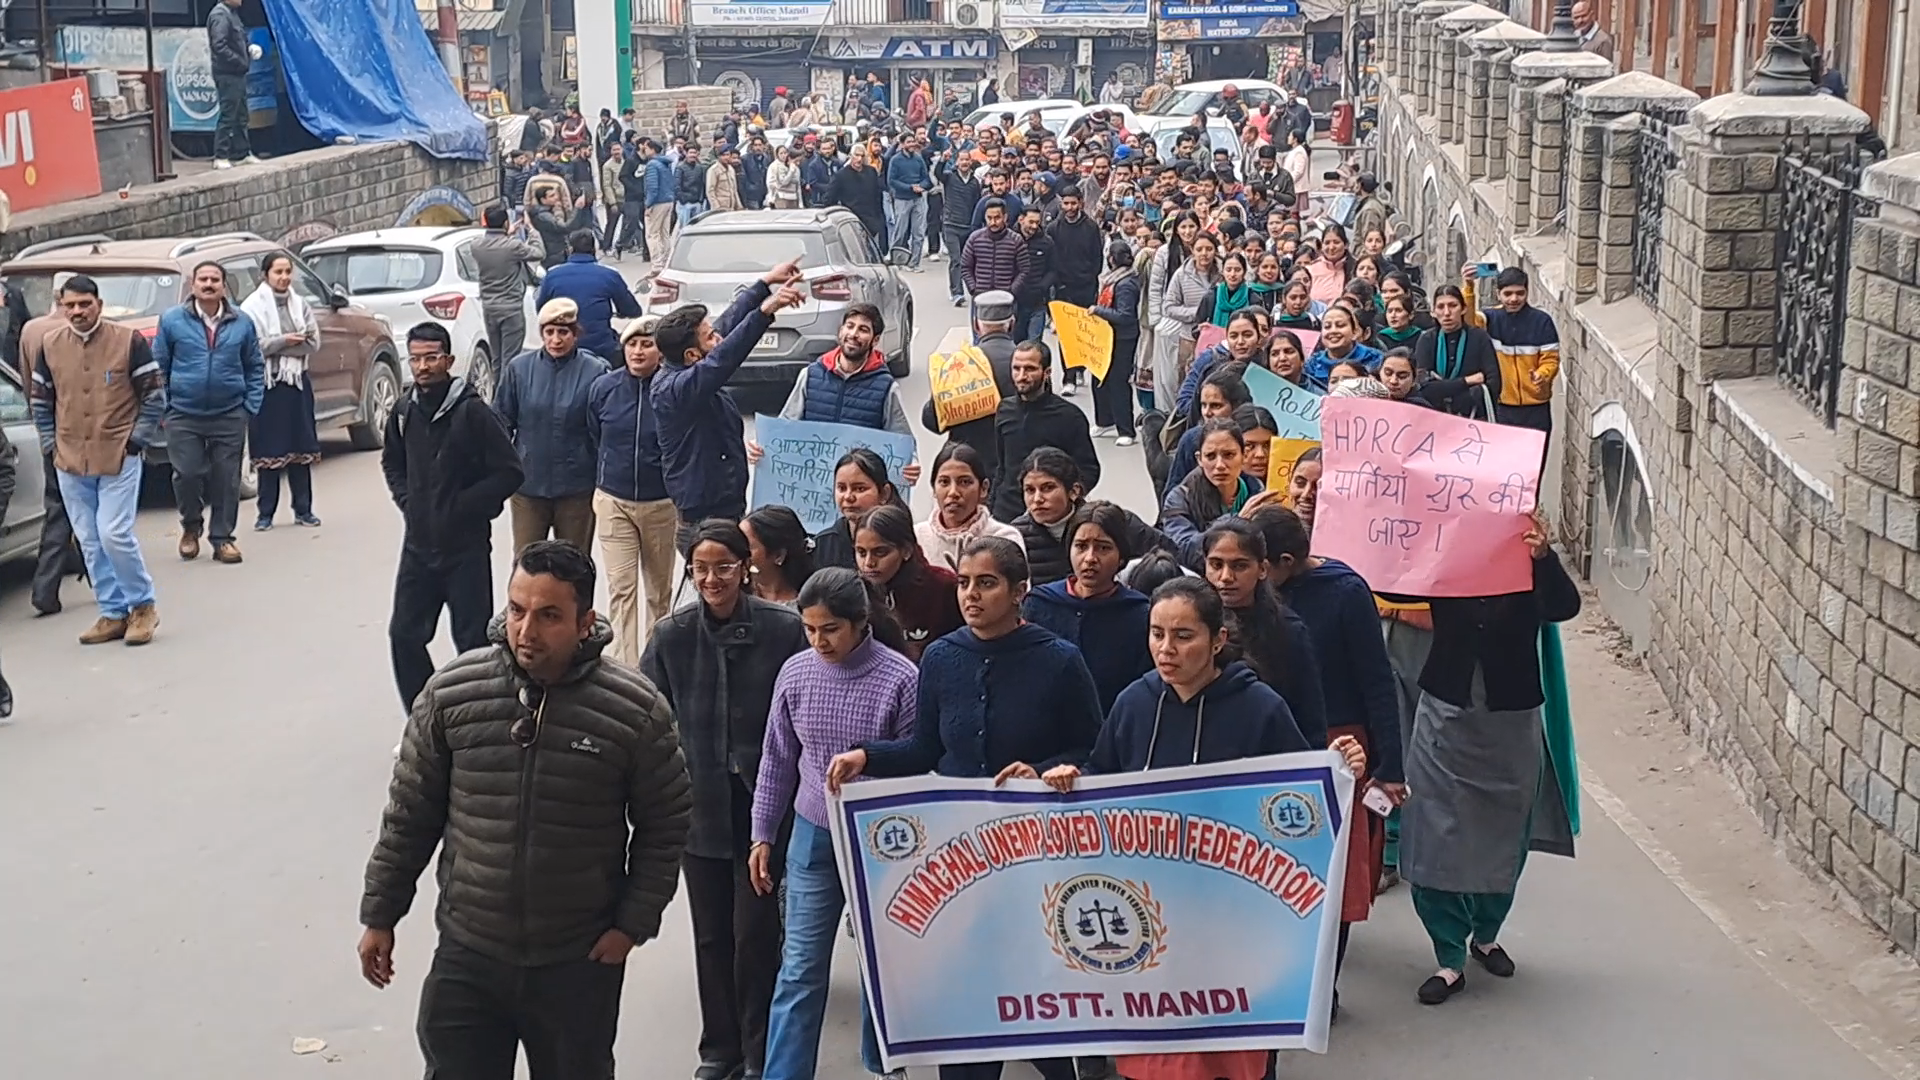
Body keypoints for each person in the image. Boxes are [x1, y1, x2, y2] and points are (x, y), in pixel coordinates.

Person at [358, 540, 693, 1080]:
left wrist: (631, 924)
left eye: (549, 616)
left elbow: (666, 824)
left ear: (586, 621)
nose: (526, 631)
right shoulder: (453, 694)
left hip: (577, 963)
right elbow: (409, 815)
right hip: (469, 953)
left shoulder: (634, 711)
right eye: (517, 610)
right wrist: (381, 913)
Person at [1039, 578, 1364, 1080]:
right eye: (1156, 634)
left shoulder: (1261, 710)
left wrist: (1341, 767)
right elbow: (1101, 785)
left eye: (1183, 636)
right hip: (1148, 928)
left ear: (1217, 640)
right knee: (1152, 1060)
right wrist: (1071, 778)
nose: (1166, 650)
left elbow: (1303, 803)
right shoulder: (1132, 704)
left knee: (1239, 1058)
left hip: (1235, 928)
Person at [641, 520, 808, 1080]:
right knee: (711, 936)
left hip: (765, 809)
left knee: (756, 936)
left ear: (747, 568)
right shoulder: (670, 636)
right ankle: (720, 1050)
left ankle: (761, 1053)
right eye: (701, 569)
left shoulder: (784, 629)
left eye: (724, 567)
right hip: (700, 812)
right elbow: (648, 721)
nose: (712, 579)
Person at [1399, 513, 1580, 1004]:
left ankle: (1486, 932)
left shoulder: (1528, 559)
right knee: (1433, 827)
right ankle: (1448, 955)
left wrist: (1543, 557)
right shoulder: (1440, 552)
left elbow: (1564, 606)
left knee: (1506, 829)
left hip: (1511, 714)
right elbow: (1390, 582)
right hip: (1445, 712)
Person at [754, 568, 917, 1080]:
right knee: (800, 967)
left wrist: (869, 759)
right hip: (812, 833)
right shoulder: (796, 673)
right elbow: (777, 758)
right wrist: (762, 833)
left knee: (878, 964)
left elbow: (917, 760)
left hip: (880, 839)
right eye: (809, 629)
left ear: (860, 623)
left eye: (830, 629)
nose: (819, 641)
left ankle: (883, 1064)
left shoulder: (901, 679)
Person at [1257, 504, 1407, 1006]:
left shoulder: (1344, 593)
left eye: (1255, 566)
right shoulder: (1247, 599)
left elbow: (1376, 680)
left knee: (1335, 878)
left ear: (1282, 561)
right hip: (1274, 745)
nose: (1238, 577)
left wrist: (1389, 766)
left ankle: (1324, 988)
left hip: (1342, 750)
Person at [382, 322, 524, 712]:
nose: (423, 366)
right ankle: (424, 719)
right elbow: (392, 462)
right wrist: (409, 502)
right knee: (404, 635)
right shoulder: (403, 410)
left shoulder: (473, 413)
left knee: (473, 645)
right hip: (417, 549)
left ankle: (478, 722)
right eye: (415, 359)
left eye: (431, 358)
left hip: (466, 550)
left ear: (448, 359)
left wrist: (463, 507)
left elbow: (510, 472)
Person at [28, 275, 164, 646]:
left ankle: (142, 606)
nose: (77, 312)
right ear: (61, 306)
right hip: (70, 458)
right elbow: (41, 400)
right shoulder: (51, 344)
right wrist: (49, 445)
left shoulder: (127, 341)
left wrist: (136, 442)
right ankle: (113, 610)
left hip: (118, 454)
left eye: (84, 304)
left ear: (99, 305)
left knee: (113, 533)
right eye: (70, 305)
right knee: (89, 539)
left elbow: (153, 396)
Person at [652, 263, 807, 543]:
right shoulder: (675, 389)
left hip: (728, 507)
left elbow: (726, 326)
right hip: (703, 519)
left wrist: (764, 283)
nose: (718, 337)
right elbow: (723, 358)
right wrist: (764, 312)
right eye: (710, 337)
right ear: (691, 355)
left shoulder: (691, 363)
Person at [153, 261, 263, 565]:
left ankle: (223, 539)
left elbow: (254, 365)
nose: (209, 284)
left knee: (227, 479)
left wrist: (249, 406)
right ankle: (191, 526)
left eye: (215, 279)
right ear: (193, 285)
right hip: (183, 414)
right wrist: (166, 406)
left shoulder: (242, 322)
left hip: (229, 413)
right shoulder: (172, 320)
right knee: (187, 474)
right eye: (203, 279)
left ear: (224, 286)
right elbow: (159, 366)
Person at [588, 317, 677, 667]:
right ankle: (625, 669)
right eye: (632, 344)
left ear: (660, 351)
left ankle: (655, 666)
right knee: (622, 589)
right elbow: (594, 434)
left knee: (658, 591)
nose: (638, 351)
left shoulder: (671, 389)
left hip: (661, 504)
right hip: (614, 502)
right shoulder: (604, 388)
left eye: (647, 344)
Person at [1021, 500, 1153, 715]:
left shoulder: (1139, 614)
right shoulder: (1039, 603)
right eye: (1081, 546)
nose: (1090, 559)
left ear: (1121, 556)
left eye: (1103, 547)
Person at [495, 299, 604, 553]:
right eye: (549, 332)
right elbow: (501, 421)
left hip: (577, 489)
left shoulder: (595, 371)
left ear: (575, 334)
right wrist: (505, 469)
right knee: (526, 562)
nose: (556, 339)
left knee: (574, 564)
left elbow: (603, 431)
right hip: (528, 487)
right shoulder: (519, 369)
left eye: (563, 332)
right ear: (541, 333)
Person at [238, 251, 322, 531]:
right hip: (267, 385)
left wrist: (277, 344)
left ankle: (304, 510)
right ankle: (265, 514)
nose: (284, 277)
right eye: (278, 272)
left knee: (301, 447)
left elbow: (312, 343)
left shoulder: (301, 305)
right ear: (265, 275)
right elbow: (253, 347)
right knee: (268, 452)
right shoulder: (251, 308)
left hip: (296, 382)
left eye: (288, 272)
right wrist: (284, 341)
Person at [1013, 448, 1163, 587]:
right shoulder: (1015, 536)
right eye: (1030, 490)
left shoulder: (1117, 522)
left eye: (1048, 488)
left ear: (1073, 491)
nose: (1037, 498)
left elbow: (1167, 560)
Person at [991, 340, 1101, 522]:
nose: (1021, 376)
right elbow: (1001, 466)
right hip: (1007, 513)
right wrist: (991, 506)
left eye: (1030, 369)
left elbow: (1089, 469)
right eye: (1016, 368)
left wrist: (1066, 500)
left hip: (1051, 517)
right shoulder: (1004, 410)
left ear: (1047, 372)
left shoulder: (1069, 417)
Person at [855, 504, 963, 663]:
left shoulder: (944, 587)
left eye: (880, 552)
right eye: (861, 553)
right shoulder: (855, 591)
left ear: (906, 550)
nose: (868, 563)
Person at [1461, 264, 1560, 435]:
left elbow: (1550, 359)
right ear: (1498, 294)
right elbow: (1469, 323)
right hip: (1502, 406)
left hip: (1536, 407)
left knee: (1535, 460)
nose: (1514, 299)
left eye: (1520, 293)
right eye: (1507, 294)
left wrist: (1542, 375)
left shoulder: (1542, 321)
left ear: (1527, 293)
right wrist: (1469, 288)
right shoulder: (1490, 318)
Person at [1162, 418, 1263, 570]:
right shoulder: (1180, 498)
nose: (1220, 465)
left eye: (1228, 455)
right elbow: (1181, 551)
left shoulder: (1257, 492)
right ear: (1199, 459)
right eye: (1210, 456)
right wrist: (1236, 522)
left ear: (1243, 456)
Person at [536, 231, 642, 364]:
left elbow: (541, 310)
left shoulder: (552, 275)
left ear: (570, 249)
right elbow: (632, 310)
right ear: (594, 249)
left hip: (564, 347)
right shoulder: (609, 275)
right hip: (602, 348)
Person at [917, 441, 1023, 570]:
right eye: (944, 482)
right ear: (934, 489)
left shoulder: (1004, 537)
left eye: (965, 482)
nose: (953, 492)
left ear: (983, 488)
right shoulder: (917, 537)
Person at [469, 206, 542, 390]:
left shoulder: (476, 245)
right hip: (511, 308)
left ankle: (496, 396)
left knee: (497, 359)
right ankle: (505, 401)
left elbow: (496, 246)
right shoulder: (513, 246)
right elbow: (538, 253)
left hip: (489, 308)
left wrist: (506, 234)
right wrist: (531, 229)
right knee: (510, 358)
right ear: (505, 222)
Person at [1412, 284, 1500, 418]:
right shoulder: (1427, 340)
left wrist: (1444, 388)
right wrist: (1467, 381)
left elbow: (1493, 384)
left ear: (1463, 309)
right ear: (1433, 312)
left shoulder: (1479, 338)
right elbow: (1424, 387)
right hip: (1434, 417)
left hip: (1473, 418)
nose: (1447, 313)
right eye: (1441, 307)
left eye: (1453, 306)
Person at [1048, 188, 1103, 392]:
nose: (1070, 208)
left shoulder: (1090, 228)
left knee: (1084, 332)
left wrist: (1091, 280)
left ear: (1080, 203)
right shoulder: (1054, 228)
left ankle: (1080, 368)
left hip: (1086, 287)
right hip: (1063, 288)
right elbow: (1051, 258)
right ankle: (1068, 378)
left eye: (1073, 203)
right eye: (1066, 203)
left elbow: (1097, 258)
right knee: (1066, 335)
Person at [814, 448, 905, 571]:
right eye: (841, 488)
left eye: (860, 489)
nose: (848, 497)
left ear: (884, 493)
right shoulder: (823, 545)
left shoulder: (900, 540)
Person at [1091, 240, 1143, 445]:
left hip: (1122, 339)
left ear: (1111, 259)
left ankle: (1126, 430)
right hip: (1105, 337)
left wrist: (1098, 311)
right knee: (1099, 379)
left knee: (1118, 383)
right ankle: (1104, 420)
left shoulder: (1126, 283)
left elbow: (1125, 315)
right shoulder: (1112, 280)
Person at [206, 0, 257, 168]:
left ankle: (243, 152)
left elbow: (239, 38)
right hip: (227, 74)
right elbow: (219, 45)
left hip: (237, 73)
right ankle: (220, 155)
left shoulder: (233, 14)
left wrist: (249, 48)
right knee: (228, 114)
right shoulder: (220, 15)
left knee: (241, 114)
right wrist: (238, 61)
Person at [742, 505, 818, 606]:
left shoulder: (813, 604)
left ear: (779, 555)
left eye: (747, 546)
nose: (737, 552)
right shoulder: (732, 595)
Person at [961, 198, 1031, 308]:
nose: (993, 222)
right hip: (980, 299)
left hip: (1006, 299)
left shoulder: (1016, 240)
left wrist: (1012, 290)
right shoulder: (974, 238)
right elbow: (965, 266)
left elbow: (1024, 270)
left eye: (997, 218)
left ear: (1005, 217)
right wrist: (973, 288)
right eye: (989, 218)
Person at [937, 155, 984, 305]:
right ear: (957, 162)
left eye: (967, 160)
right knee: (956, 259)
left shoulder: (975, 182)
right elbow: (938, 173)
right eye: (961, 160)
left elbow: (977, 204)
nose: (964, 163)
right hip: (951, 224)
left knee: (968, 261)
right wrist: (942, 160)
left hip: (968, 226)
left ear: (971, 162)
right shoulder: (949, 177)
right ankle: (957, 293)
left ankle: (974, 290)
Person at [1304, 305, 1384, 389]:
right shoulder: (1312, 364)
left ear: (1355, 332)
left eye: (1340, 325)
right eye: (1327, 327)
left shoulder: (1375, 359)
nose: (1333, 331)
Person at [828, 146, 888, 250]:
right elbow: (830, 199)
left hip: (872, 219)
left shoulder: (871, 172)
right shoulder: (841, 175)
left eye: (862, 156)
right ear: (851, 156)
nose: (859, 159)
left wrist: (880, 219)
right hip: (852, 220)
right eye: (856, 155)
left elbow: (877, 196)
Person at [886, 133, 932, 269]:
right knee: (900, 231)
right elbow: (891, 181)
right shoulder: (895, 160)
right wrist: (909, 187)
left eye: (913, 141)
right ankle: (895, 260)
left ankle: (914, 263)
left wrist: (921, 186)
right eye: (908, 142)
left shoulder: (918, 159)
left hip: (918, 199)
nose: (912, 144)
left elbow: (926, 179)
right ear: (902, 144)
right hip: (902, 199)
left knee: (918, 233)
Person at [643, 138, 679, 273]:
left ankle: (657, 264)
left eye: (646, 148)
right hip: (668, 200)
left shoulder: (652, 165)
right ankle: (666, 261)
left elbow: (653, 187)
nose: (644, 150)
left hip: (657, 201)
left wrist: (648, 205)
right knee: (664, 233)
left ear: (652, 150)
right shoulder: (665, 164)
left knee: (652, 234)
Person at [708, 143, 745, 212]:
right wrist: (716, 207)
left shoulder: (731, 169)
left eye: (727, 155)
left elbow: (734, 190)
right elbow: (710, 191)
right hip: (720, 207)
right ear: (719, 156)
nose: (726, 157)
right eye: (723, 155)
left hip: (731, 207)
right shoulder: (714, 170)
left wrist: (739, 206)